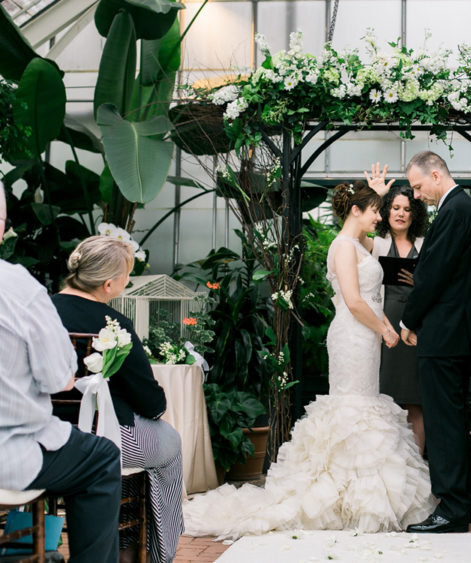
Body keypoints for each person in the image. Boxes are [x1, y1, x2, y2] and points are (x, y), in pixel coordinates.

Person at [181, 182, 435, 537]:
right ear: (356, 211)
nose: (381, 216)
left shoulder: (359, 244)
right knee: (352, 407)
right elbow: (354, 300)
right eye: (375, 210)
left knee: (364, 406)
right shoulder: (342, 247)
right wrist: (386, 329)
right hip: (354, 334)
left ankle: (355, 490)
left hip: (366, 337)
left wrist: (375, 192)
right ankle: (342, 492)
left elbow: (376, 258)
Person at [0, 189, 121, 562]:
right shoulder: (18, 289)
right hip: (9, 454)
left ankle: (22, 550)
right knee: (102, 458)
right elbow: (58, 378)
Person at [51, 236, 184, 563]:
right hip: (103, 438)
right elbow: (152, 404)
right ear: (109, 284)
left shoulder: (37, 313)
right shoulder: (114, 327)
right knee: (169, 443)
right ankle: (153, 554)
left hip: (45, 433)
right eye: (127, 276)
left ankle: (41, 539)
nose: (128, 282)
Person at [398, 151, 471, 534]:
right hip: (454, 332)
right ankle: (465, 500)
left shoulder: (455, 210)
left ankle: (452, 508)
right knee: (450, 418)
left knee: (442, 422)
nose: (417, 196)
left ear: (436, 175)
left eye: (418, 187)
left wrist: (408, 317)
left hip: (445, 333)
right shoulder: (461, 209)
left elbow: (432, 274)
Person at [371, 184, 429, 455]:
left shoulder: (425, 244)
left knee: (416, 401)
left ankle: (416, 466)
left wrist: (421, 282)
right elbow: (350, 236)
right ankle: (390, 463)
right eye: (395, 208)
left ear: (415, 213)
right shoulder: (377, 242)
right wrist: (377, 195)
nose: (401, 214)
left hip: (417, 328)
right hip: (385, 327)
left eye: (407, 209)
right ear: (387, 210)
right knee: (387, 399)